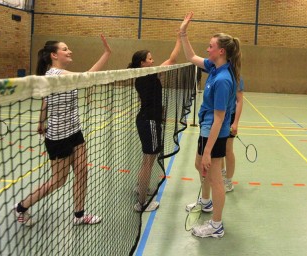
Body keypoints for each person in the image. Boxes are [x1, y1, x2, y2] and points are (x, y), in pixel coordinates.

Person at [13, 35, 112, 226]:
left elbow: (45, 100)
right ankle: (21, 207)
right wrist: (106, 54)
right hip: (59, 137)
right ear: (54, 55)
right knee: (58, 181)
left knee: (82, 171)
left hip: (75, 131)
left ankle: (79, 215)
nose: (69, 51)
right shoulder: (55, 75)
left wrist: (41, 122)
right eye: (65, 49)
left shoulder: (60, 76)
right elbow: (86, 78)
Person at [179, 12, 241, 238]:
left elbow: (219, 119)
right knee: (199, 166)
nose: (207, 49)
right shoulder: (214, 68)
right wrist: (183, 33)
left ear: (221, 51)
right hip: (206, 128)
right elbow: (191, 56)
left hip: (213, 131)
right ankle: (205, 202)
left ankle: (216, 225)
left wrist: (208, 151)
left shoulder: (224, 79)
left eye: (211, 46)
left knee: (215, 178)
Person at [128, 36, 181, 212]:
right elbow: (172, 59)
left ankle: (139, 187)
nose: (153, 60)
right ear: (143, 63)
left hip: (148, 120)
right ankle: (142, 203)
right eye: (150, 58)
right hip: (149, 121)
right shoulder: (148, 74)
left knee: (147, 160)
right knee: (148, 162)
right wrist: (180, 37)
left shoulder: (142, 75)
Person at [222, 78, 244, 192]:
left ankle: (228, 181)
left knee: (227, 149)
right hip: (217, 114)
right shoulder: (215, 70)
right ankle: (221, 174)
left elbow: (240, 100)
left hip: (230, 116)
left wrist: (235, 122)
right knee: (218, 148)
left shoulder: (237, 77)